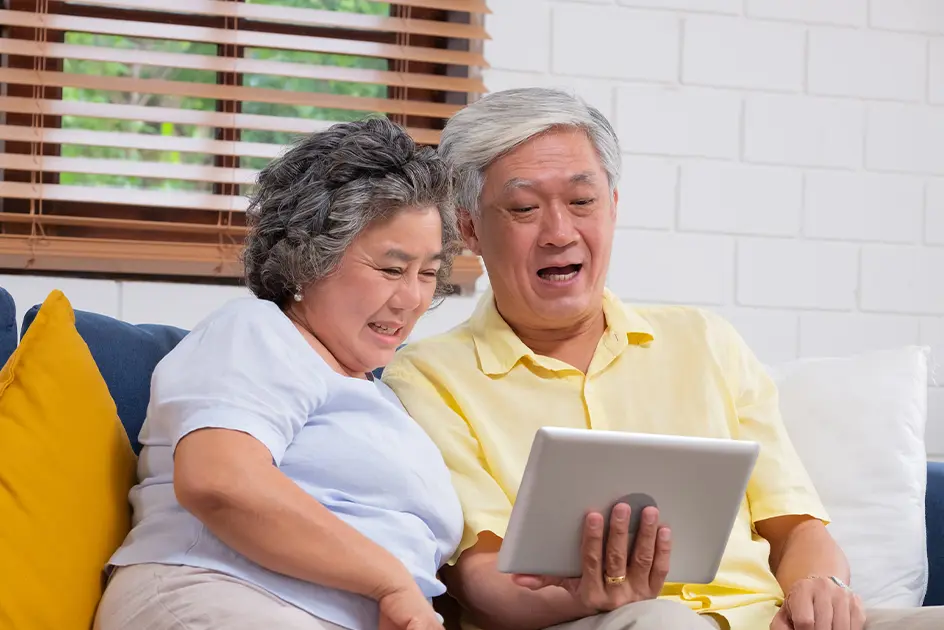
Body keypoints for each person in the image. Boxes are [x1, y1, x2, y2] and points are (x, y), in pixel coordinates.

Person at [380, 87, 944, 630]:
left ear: (614, 206)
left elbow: (796, 527)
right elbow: (479, 581)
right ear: (469, 228)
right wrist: (576, 596)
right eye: (524, 208)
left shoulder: (704, 341)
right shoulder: (429, 376)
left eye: (582, 202)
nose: (559, 232)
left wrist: (821, 587)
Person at [93, 117, 464, 630]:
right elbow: (220, 481)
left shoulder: (380, 398)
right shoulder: (257, 330)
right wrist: (391, 581)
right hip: (220, 593)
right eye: (390, 269)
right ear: (308, 260)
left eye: (427, 273)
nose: (412, 299)